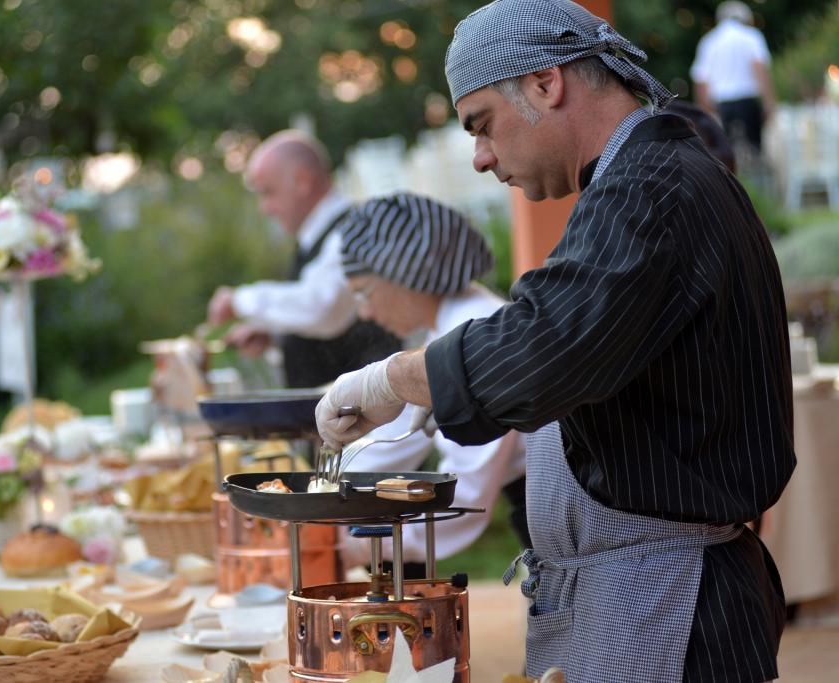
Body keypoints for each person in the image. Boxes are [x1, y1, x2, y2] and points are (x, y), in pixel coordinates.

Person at [316, 1, 794, 681]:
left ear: (546, 82)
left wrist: (390, 379)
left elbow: (540, 347)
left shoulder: (651, 189)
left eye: (481, 125)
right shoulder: (644, 180)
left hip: (671, 608)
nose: (480, 157)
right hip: (644, 594)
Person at [337, 192, 530, 571]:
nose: (365, 311)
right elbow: (396, 435)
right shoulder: (451, 328)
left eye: (363, 291)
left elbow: (465, 494)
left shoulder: (471, 329)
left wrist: (365, 542)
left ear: (404, 273)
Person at [206, 130, 400, 389]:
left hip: (371, 420)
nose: (264, 208)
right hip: (341, 418)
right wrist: (276, 334)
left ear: (302, 181)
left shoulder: (353, 231)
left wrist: (240, 300)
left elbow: (323, 307)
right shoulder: (320, 237)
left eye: (268, 192)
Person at [691, 1, 776, 153]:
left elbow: (701, 79)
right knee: (754, 151)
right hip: (748, 102)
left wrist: (703, 112)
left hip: (722, 105)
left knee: (725, 152)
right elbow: (759, 68)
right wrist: (769, 102)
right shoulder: (752, 37)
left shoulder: (709, 41)